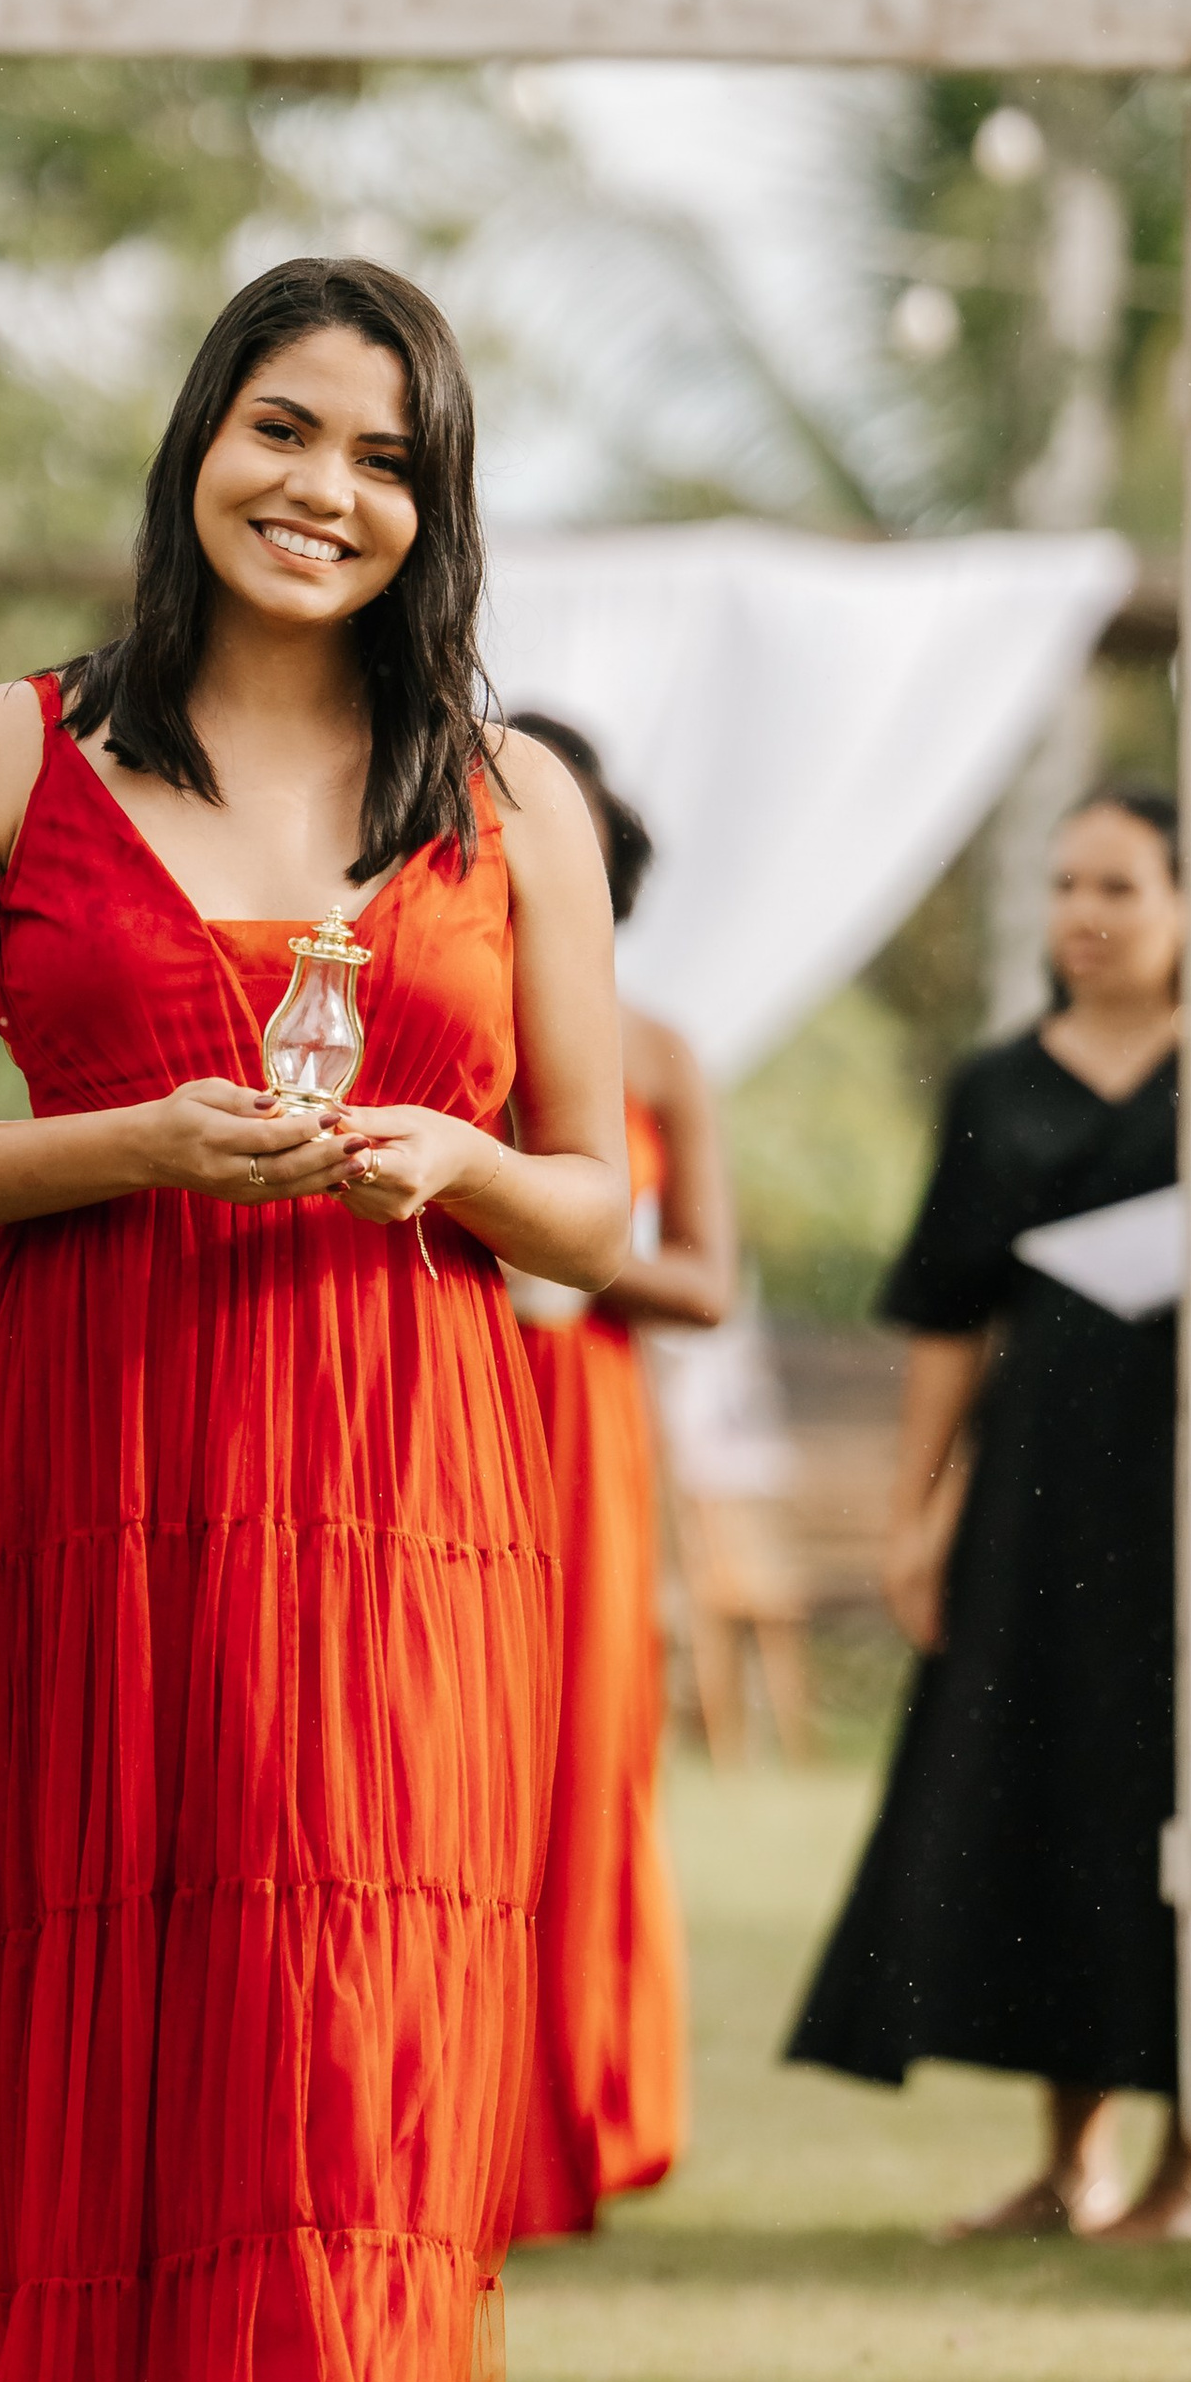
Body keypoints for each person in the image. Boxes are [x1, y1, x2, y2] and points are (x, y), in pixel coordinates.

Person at [0, 258, 627, 2382]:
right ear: (197, 447)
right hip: (88, 1477)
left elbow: (604, 1198)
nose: (323, 490)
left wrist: (467, 1174)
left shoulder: (507, 804)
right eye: (282, 430)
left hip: (399, 1508)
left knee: (335, 2083)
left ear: (434, 505)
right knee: (119, 2082)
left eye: (382, 459)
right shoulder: (7, 754)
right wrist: (138, 1139)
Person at [782, 784, 1191, 2245]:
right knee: (1052, 1794)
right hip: (1040, 1500)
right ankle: (1070, 2157)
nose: (1084, 917)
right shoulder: (996, 1086)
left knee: (1181, 1794)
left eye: (1121, 889)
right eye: (1067, 888)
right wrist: (915, 1517)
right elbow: (948, 1324)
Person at [500, 713, 735, 2242]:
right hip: (447, 1388)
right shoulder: (427, 1006)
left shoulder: (655, 1053)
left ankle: (561, 2121)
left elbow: (706, 1284)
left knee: (580, 1754)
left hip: (580, 1417)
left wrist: (570, 1240)